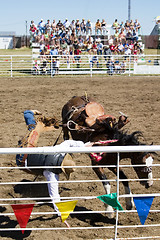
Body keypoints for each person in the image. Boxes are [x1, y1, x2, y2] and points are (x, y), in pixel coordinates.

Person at [16, 110, 93, 228]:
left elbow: (69, 142)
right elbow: (54, 195)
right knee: (33, 131)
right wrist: (61, 214)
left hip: (27, 153)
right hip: (22, 161)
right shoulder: (52, 174)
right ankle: (28, 113)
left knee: (34, 131)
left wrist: (84, 146)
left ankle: (28, 114)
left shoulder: (60, 149)